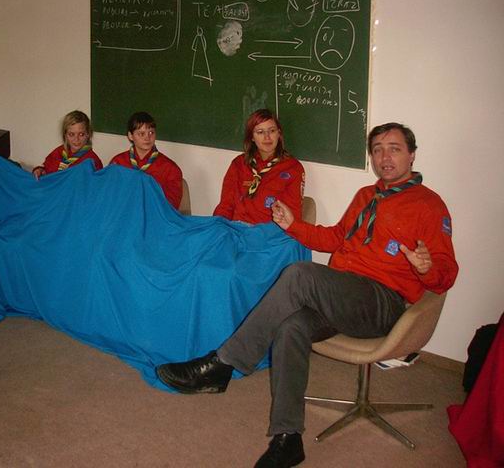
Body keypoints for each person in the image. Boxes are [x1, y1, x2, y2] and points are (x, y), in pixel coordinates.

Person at [156, 123, 458, 468]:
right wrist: (292, 226)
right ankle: (288, 437)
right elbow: (334, 238)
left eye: (394, 148)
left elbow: (447, 273)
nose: (384, 157)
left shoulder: (429, 205)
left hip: (382, 302)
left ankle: (223, 363)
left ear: (412, 155)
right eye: (377, 149)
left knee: (299, 274)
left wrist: (425, 268)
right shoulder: (366, 195)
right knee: (291, 327)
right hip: (343, 292)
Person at [214, 109, 304, 224]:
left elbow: (292, 218)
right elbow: (226, 206)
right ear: (252, 137)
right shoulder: (239, 163)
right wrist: (217, 227)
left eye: (272, 131)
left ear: (279, 133)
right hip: (235, 228)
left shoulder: (293, 168)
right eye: (260, 132)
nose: (267, 137)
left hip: (268, 232)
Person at [109, 112, 183, 210]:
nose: (147, 138)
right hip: (123, 213)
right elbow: (109, 195)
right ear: (130, 136)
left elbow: (170, 206)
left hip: (153, 216)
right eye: (141, 134)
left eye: (151, 132)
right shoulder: (118, 163)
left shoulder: (170, 168)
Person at [32, 110, 103, 179]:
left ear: (88, 134)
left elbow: (97, 183)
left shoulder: (92, 161)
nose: (76, 139)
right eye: (71, 134)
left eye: (81, 134)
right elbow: (46, 170)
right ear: (65, 135)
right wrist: (40, 170)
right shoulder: (58, 152)